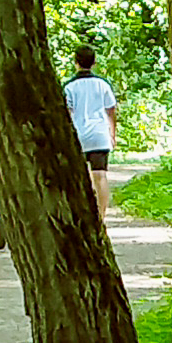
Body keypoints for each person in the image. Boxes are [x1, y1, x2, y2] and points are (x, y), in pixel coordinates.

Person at [62, 41, 118, 222]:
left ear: (75, 62)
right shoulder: (103, 85)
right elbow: (111, 111)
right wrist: (112, 134)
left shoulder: (69, 87)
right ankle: (100, 217)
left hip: (78, 136)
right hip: (99, 136)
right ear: (94, 63)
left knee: (78, 177)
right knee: (100, 176)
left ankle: (80, 216)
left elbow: (67, 113)